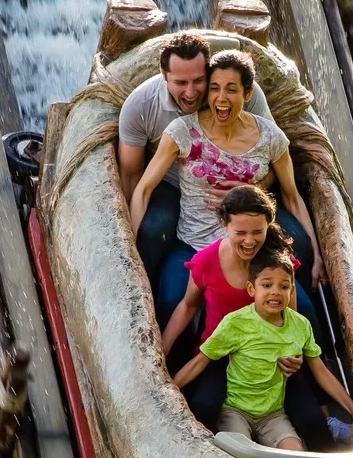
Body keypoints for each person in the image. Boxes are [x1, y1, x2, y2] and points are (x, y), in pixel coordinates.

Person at [130, 48, 323, 327]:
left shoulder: (271, 137)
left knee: (303, 312)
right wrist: (130, 246)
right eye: (215, 89)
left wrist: (317, 255)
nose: (221, 98)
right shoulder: (182, 131)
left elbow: (292, 197)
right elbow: (144, 190)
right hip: (194, 244)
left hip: (251, 246)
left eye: (231, 89)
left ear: (247, 95)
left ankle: (307, 363)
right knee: (172, 302)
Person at [161, 185, 332, 447]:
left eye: (257, 232)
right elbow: (188, 306)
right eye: (240, 233)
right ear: (224, 225)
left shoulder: (276, 263)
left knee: (311, 421)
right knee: (204, 405)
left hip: (271, 355)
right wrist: (161, 351)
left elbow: (291, 319)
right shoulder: (206, 260)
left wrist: (294, 354)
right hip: (221, 354)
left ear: (268, 226)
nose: (249, 241)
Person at [117, 32, 272, 288]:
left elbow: (274, 154)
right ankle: (144, 290)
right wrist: (128, 241)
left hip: (237, 186)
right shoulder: (141, 106)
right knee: (154, 228)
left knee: (293, 237)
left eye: (199, 81)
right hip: (170, 184)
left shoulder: (232, 96)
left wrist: (254, 190)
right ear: (163, 75)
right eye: (180, 82)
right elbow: (132, 177)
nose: (191, 92)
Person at [173, 246, 353, 452]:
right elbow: (199, 362)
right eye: (266, 285)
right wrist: (170, 390)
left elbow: (321, 372)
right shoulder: (235, 323)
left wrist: (352, 408)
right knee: (242, 453)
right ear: (252, 289)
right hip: (236, 411)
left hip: (272, 414)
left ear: (291, 290)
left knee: (296, 453)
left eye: (283, 286)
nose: (275, 292)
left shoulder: (300, 325)